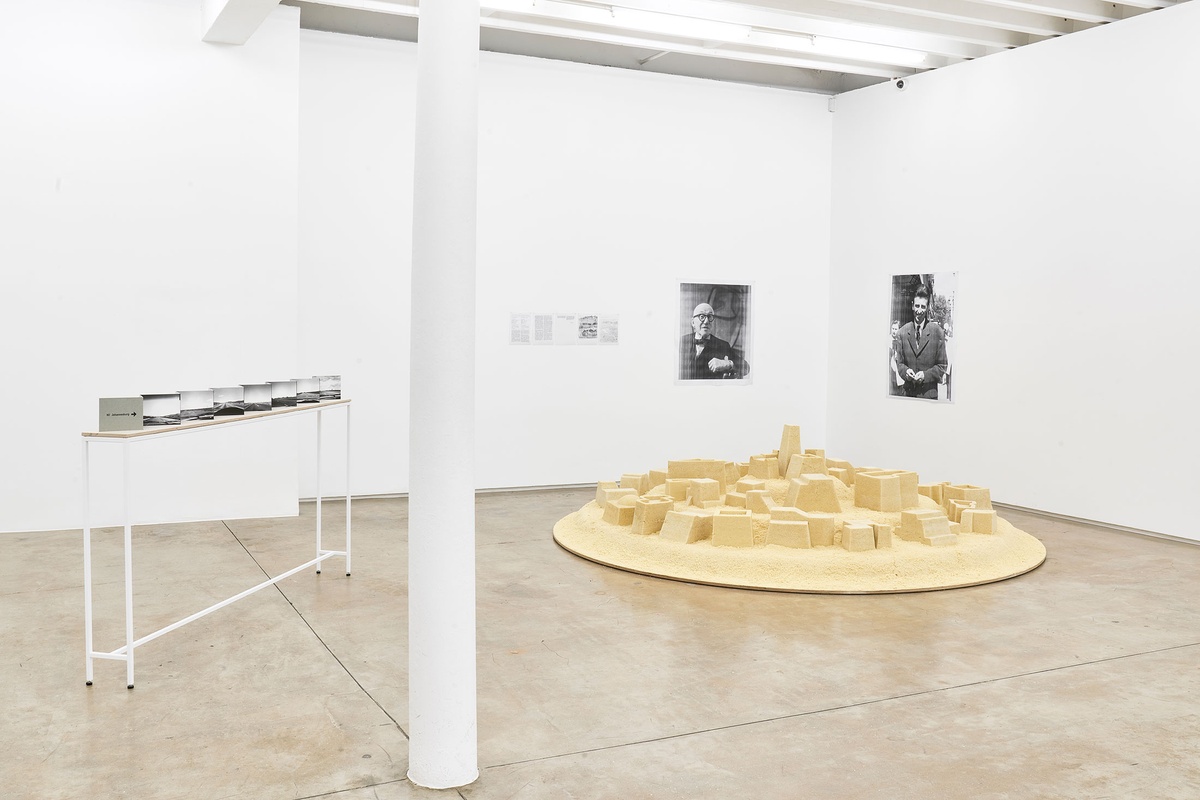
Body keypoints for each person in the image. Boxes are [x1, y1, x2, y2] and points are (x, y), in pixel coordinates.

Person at [895, 285, 948, 399]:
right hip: (908, 395)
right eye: (917, 306)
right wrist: (906, 372)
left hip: (928, 397)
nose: (919, 311)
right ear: (912, 306)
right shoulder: (902, 333)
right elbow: (899, 364)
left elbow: (942, 366)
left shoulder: (937, 333)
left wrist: (925, 375)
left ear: (927, 308)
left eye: (923, 307)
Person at [679, 303, 743, 380]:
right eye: (701, 316)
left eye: (709, 317)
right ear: (693, 322)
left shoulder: (723, 345)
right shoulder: (682, 342)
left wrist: (728, 364)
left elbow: (746, 367)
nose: (706, 321)